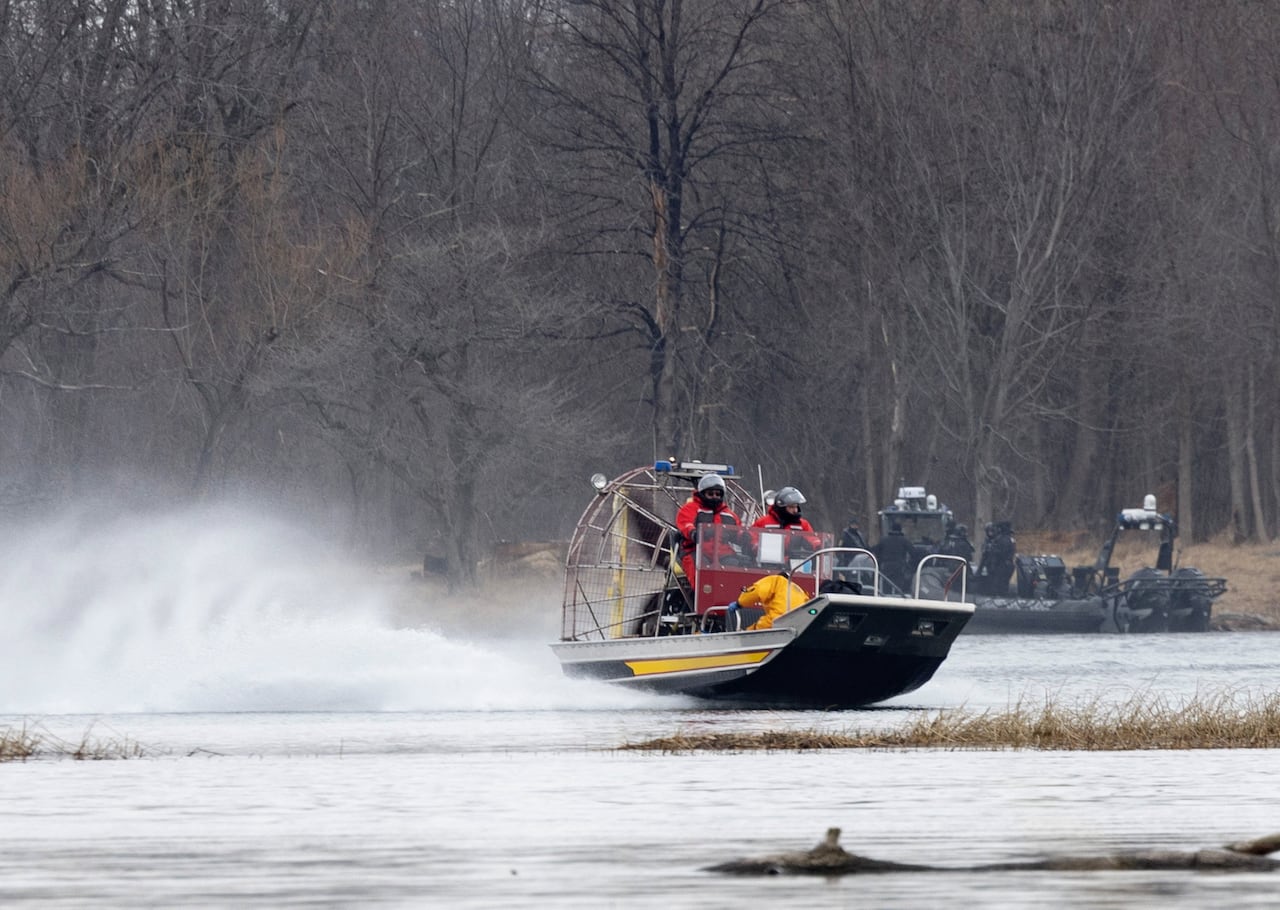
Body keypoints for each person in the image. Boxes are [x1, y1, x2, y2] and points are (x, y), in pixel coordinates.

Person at [675, 473, 743, 583]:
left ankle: (731, 596)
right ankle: (702, 596)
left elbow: (739, 531)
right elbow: (685, 524)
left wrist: (746, 538)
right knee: (701, 570)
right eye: (710, 494)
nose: (714, 497)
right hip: (696, 550)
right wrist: (696, 534)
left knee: (736, 569)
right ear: (702, 494)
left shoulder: (728, 514)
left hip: (722, 553)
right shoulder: (691, 509)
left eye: (717, 494)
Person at [729, 569, 811, 631]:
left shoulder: (777, 580)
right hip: (801, 621)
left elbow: (757, 591)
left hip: (780, 618)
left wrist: (739, 603)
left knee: (755, 629)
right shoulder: (798, 589)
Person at [751, 486, 823, 557]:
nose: (795, 510)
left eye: (796, 506)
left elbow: (812, 539)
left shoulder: (803, 525)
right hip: (766, 564)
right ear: (781, 507)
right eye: (791, 507)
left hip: (794, 565)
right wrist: (759, 548)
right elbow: (752, 540)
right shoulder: (763, 522)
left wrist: (818, 545)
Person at [873, 521, 914, 592]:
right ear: (900, 530)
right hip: (899, 567)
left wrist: (880, 560)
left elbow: (876, 551)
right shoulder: (904, 540)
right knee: (898, 587)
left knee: (885, 586)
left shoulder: (884, 540)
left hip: (886, 566)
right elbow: (913, 552)